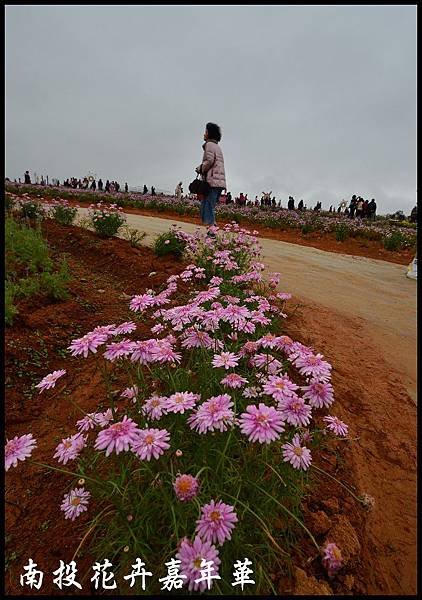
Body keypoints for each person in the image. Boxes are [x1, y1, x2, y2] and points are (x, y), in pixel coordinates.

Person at [195, 121, 226, 232]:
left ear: (209, 134)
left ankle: (212, 230)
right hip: (219, 182)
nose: (204, 134)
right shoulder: (217, 146)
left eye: (205, 132)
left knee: (207, 205)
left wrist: (200, 168)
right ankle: (213, 228)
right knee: (209, 205)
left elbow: (209, 161)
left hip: (212, 181)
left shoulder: (209, 145)